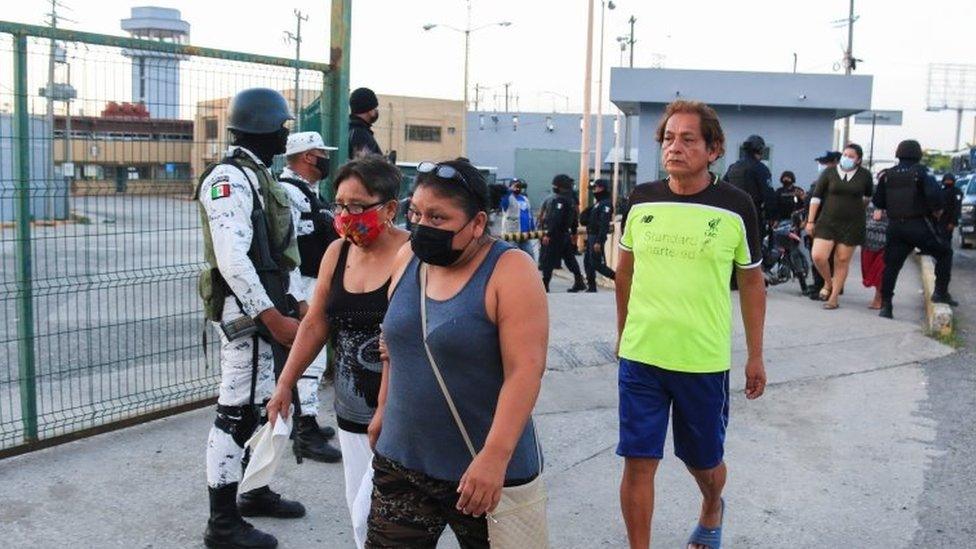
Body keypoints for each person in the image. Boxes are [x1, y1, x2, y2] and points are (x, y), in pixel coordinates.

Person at [367, 158, 547, 547]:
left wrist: (495, 456)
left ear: (477, 224)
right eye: (415, 213)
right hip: (402, 462)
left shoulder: (510, 270)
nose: (421, 226)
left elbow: (526, 370)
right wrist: (382, 408)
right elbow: (393, 346)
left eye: (438, 218)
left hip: (482, 473)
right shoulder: (407, 258)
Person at [615, 100, 766, 549]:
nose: (674, 147)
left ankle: (711, 504)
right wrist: (624, 333)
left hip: (701, 359)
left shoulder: (736, 207)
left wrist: (755, 355)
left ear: (713, 148)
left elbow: (752, 281)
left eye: (687, 139)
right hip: (642, 356)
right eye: (668, 138)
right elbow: (626, 271)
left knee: (704, 463)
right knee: (638, 461)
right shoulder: (642, 200)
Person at [267, 155, 409, 548]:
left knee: (382, 516)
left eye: (358, 206)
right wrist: (285, 384)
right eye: (341, 205)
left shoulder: (412, 254)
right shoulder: (337, 252)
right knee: (361, 517)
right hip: (350, 412)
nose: (346, 215)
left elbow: (405, 339)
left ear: (390, 209)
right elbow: (315, 323)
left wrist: (385, 408)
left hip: (400, 414)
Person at [196, 88, 305, 549]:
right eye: (282, 125)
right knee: (235, 414)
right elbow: (233, 259)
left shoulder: (259, 175)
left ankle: (253, 492)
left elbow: (277, 251)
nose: (287, 132)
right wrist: (272, 317)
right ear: (265, 126)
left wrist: (294, 302)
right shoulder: (229, 179)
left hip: (268, 305)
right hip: (248, 315)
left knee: (264, 407)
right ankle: (221, 524)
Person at [278, 131, 343, 463]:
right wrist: (297, 297)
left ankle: (306, 420)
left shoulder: (307, 192)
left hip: (312, 281)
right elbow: (287, 250)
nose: (325, 158)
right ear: (306, 156)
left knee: (313, 358)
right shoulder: (290, 194)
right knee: (310, 359)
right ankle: (305, 431)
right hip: (301, 284)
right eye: (320, 152)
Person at [873, 140, 956, 318]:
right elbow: (936, 197)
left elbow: (878, 201)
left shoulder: (887, 175)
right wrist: (936, 211)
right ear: (918, 155)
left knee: (891, 266)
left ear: (898, 153)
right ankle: (940, 292)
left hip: (895, 227)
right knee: (944, 253)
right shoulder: (921, 173)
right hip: (919, 225)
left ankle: (886, 306)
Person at [805, 143, 873, 309]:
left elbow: (867, 197)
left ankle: (833, 297)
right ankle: (828, 283)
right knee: (818, 256)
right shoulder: (829, 172)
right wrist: (810, 220)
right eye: (845, 154)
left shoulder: (865, 175)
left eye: (851, 156)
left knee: (842, 260)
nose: (847, 158)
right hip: (827, 221)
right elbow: (816, 197)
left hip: (852, 223)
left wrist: (855, 209)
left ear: (858, 160)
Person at [804, 151, 842, 299]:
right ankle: (819, 284)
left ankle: (826, 286)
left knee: (827, 258)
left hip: (829, 224)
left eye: (825, 163)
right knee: (817, 257)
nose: (822, 166)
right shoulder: (821, 180)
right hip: (817, 223)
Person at [540, 174, 586, 292]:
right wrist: (574, 232)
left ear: (560, 187)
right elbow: (575, 218)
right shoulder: (571, 200)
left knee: (548, 260)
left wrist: (548, 234)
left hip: (556, 235)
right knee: (570, 259)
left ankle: (544, 285)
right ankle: (579, 281)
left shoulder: (559, 200)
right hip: (565, 235)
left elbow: (556, 219)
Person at [722, 134, 774, 223]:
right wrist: (772, 217)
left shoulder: (733, 167)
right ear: (760, 150)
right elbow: (768, 195)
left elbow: (722, 189)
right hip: (752, 214)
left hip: (732, 215)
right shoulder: (760, 168)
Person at [583, 178, 616, 292]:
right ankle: (591, 286)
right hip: (591, 235)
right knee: (588, 262)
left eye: (596, 188)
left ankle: (618, 278)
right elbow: (585, 218)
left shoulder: (606, 204)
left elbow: (603, 224)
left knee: (597, 264)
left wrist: (598, 241)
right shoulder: (598, 204)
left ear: (601, 188)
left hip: (597, 237)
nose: (594, 191)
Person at [500, 178, 537, 258]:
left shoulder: (525, 199)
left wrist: (532, 228)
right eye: (516, 186)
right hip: (512, 233)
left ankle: (530, 270)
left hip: (525, 233)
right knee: (511, 255)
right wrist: (509, 190)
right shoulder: (507, 198)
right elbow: (504, 204)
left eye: (519, 186)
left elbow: (529, 214)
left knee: (530, 255)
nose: (518, 188)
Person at [862, 203, 887, 309]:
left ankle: (879, 298)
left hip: (888, 237)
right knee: (868, 272)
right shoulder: (871, 189)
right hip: (868, 237)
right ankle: (882, 295)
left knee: (880, 270)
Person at [348, 87, 383, 159]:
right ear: (369, 110)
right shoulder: (360, 134)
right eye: (375, 108)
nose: (376, 111)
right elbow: (366, 166)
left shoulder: (349, 130)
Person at [938, 173, 963, 239]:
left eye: (950, 180)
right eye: (946, 180)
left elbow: (957, 207)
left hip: (950, 218)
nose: (948, 182)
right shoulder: (941, 191)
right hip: (940, 219)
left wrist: (953, 222)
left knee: (947, 238)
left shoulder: (957, 192)